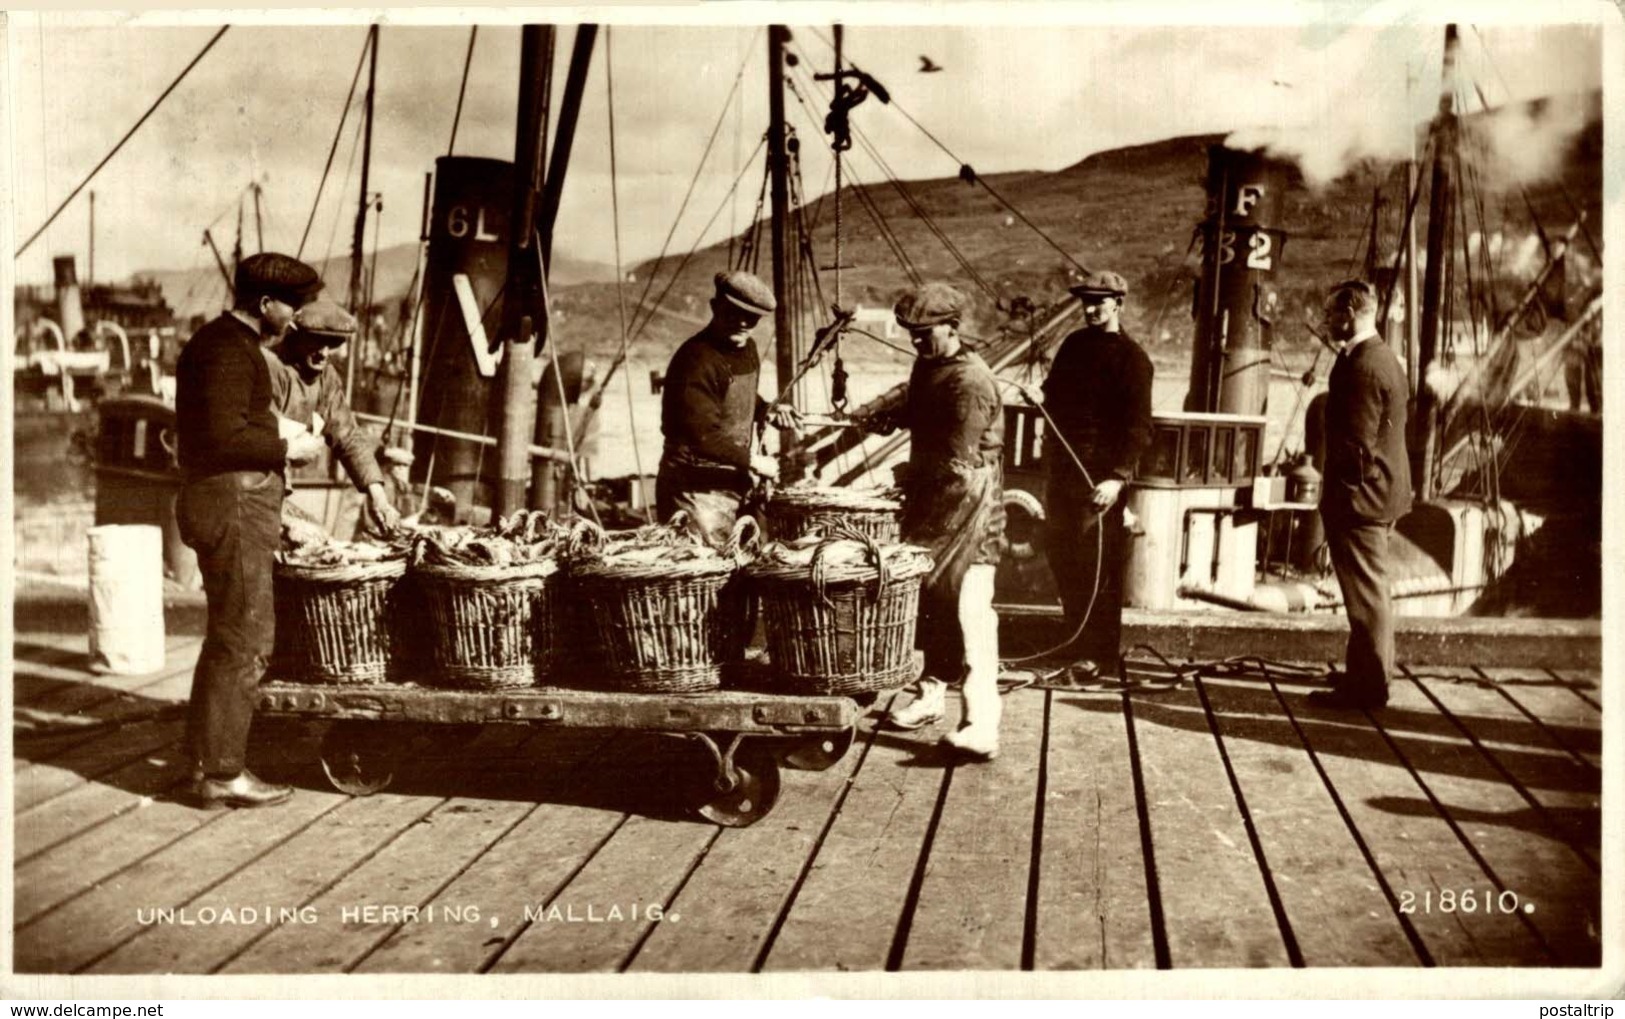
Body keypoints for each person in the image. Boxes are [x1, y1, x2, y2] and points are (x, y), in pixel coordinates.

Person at [174, 252, 326, 809]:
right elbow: (220, 438)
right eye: (292, 307)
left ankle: (201, 763)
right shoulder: (231, 351)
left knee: (227, 634)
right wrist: (292, 446)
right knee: (247, 638)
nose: (295, 318)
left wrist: (277, 430)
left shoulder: (223, 345)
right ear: (264, 304)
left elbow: (231, 420)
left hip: (226, 501)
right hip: (234, 504)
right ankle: (222, 773)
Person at [861, 283, 1007, 760]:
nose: (916, 343)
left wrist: (904, 474)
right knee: (930, 601)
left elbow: (958, 463)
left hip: (973, 508)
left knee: (970, 610)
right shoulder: (931, 364)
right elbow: (911, 397)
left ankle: (982, 725)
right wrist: (870, 414)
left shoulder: (971, 382)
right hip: (935, 506)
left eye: (925, 335)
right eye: (912, 335)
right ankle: (929, 696)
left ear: (953, 328)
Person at [1030, 269, 1153, 679]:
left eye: (1100, 301)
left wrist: (1117, 479)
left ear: (1119, 303)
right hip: (1063, 473)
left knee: (1097, 567)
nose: (1091, 308)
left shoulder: (1133, 360)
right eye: (1087, 301)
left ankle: (1099, 656)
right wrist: (1038, 396)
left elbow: (1138, 428)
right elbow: (1055, 393)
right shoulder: (1074, 345)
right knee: (1063, 557)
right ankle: (1075, 642)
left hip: (1099, 480)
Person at [1313, 279, 1411, 709]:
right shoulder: (1376, 357)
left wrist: (1342, 497)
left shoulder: (1365, 368)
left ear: (1350, 312)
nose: (1326, 320)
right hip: (1380, 495)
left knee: (1368, 597)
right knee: (1366, 594)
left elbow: (1356, 449)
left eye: (1332, 313)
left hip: (1362, 502)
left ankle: (1370, 688)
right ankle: (1364, 677)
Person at [657, 271, 798, 545]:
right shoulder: (696, 359)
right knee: (705, 573)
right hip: (695, 490)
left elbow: (733, 397)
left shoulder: (747, 349)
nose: (743, 322)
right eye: (733, 313)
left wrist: (767, 410)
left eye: (752, 317)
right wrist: (756, 462)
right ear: (715, 306)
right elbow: (702, 435)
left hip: (733, 482)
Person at [264, 299, 402, 541]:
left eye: (332, 345)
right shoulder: (271, 369)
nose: (324, 354)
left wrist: (378, 497)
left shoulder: (326, 377)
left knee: (321, 539)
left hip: (275, 494)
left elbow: (347, 435)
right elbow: (255, 442)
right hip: (253, 492)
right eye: (317, 344)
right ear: (295, 336)